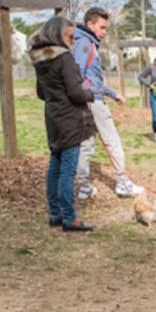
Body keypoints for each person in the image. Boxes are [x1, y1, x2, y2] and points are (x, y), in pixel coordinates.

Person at [30, 16, 96, 232]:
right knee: (68, 171)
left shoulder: (41, 60)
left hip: (53, 118)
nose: (73, 42)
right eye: (70, 37)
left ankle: (55, 213)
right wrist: (90, 94)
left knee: (55, 168)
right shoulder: (65, 59)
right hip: (70, 120)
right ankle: (69, 218)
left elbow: (41, 93)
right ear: (58, 36)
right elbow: (76, 93)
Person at [72, 7, 141, 200]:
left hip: (89, 99)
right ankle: (123, 184)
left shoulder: (85, 42)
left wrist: (112, 93)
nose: (103, 32)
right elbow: (79, 75)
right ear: (90, 24)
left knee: (86, 144)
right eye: (101, 28)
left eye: (105, 28)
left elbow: (90, 78)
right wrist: (86, 97)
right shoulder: (84, 44)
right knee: (112, 141)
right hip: (92, 100)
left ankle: (84, 187)